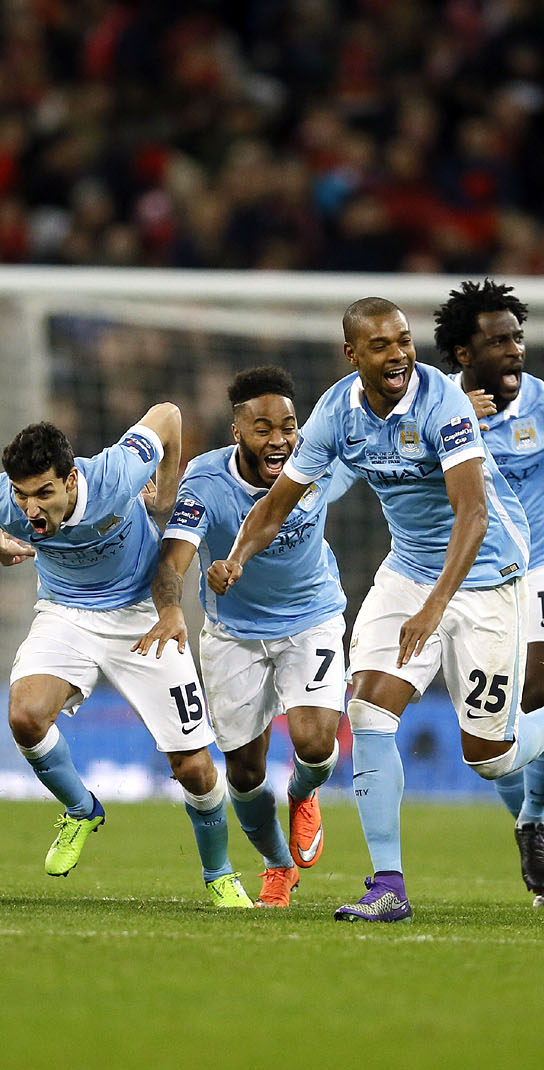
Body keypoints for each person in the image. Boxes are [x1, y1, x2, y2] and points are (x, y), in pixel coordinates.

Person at [214, 298, 544, 923]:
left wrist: (434, 609)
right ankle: (388, 884)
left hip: (487, 572)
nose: (398, 355)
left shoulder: (442, 404)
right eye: (381, 345)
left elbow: (473, 515)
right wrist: (236, 558)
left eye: (404, 341)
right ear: (352, 355)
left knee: (489, 756)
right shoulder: (337, 412)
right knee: (366, 709)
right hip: (409, 570)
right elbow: (279, 504)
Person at [0, 408, 252, 908]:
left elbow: (168, 417)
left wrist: (165, 494)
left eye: (45, 493)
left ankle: (219, 873)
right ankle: (81, 809)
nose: (32, 510)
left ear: (72, 479)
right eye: (23, 495)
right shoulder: (7, 499)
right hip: (66, 613)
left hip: (140, 615)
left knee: (193, 768)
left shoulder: (116, 473)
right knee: (25, 716)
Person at [137, 366, 350, 908]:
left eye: (288, 426)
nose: (278, 439)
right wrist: (170, 609)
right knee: (247, 772)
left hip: (311, 617)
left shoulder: (317, 461)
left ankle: (304, 794)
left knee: (315, 743)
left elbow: (389, 445)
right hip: (234, 633)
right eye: (263, 428)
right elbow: (174, 558)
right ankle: (277, 866)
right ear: (238, 432)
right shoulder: (206, 483)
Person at [434, 278, 544, 906]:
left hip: (543, 563)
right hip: (471, 580)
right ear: (463, 354)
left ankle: (532, 822)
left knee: (540, 683)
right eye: (498, 341)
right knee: (493, 731)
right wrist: (453, 427)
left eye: (517, 337)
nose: (514, 350)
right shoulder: (432, 407)